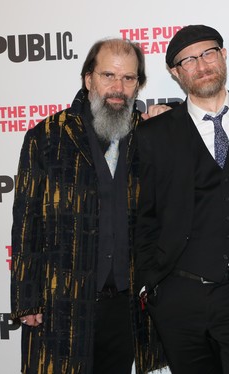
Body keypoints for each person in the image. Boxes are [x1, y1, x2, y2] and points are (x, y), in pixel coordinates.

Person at [10, 38, 165, 374]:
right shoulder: (47, 137)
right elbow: (27, 222)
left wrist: (173, 113)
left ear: (138, 85)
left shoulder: (150, 135)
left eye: (129, 79)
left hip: (125, 305)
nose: (118, 88)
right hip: (60, 301)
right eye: (109, 75)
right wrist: (26, 299)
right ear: (88, 79)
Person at [134, 25, 229, 374]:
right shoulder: (154, 134)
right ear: (175, 73)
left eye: (209, 53)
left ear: (224, 55)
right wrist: (150, 286)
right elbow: (141, 214)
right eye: (189, 60)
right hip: (180, 298)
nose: (201, 65)